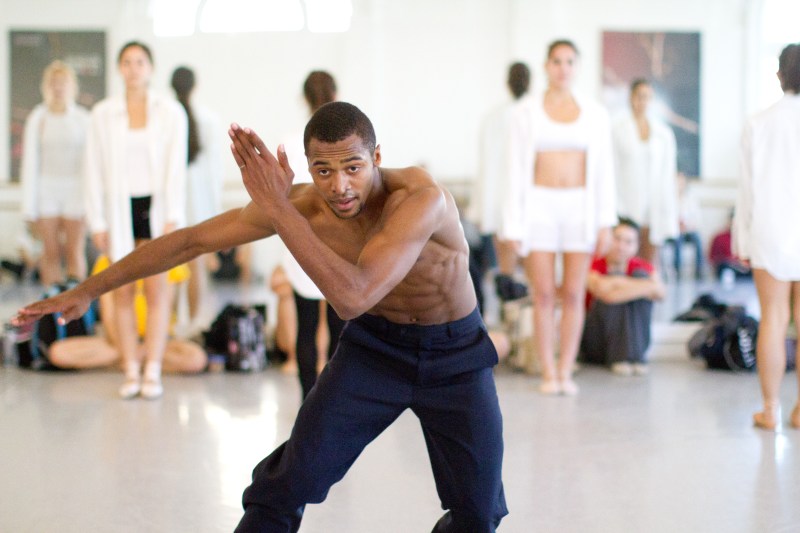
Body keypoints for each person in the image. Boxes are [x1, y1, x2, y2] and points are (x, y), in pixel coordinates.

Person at [15, 101, 507, 531]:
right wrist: (87, 290)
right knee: (291, 480)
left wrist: (278, 209)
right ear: (308, 168)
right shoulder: (301, 205)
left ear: (377, 158)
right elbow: (191, 241)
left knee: (477, 512)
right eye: (323, 170)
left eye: (353, 167)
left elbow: (352, 297)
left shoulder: (421, 200)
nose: (339, 186)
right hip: (376, 350)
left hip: (455, 355)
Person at [502, 39, 616, 395]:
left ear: (577, 67)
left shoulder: (595, 113)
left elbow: (604, 171)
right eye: (556, 61)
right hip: (540, 207)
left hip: (579, 207)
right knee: (544, 293)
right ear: (546, 66)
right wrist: (513, 224)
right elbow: (516, 170)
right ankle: (547, 371)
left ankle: (566, 369)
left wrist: (604, 221)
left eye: (569, 61)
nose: (563, 67)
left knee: (573, 291)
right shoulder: (527, 112)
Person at [84, 41, 188, 400]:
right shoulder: (102, 114)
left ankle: (153, 369)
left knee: (159, 291)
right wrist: (97, 220)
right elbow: (93, 169)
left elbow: (176, 168)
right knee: (123, 292)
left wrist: (174, 216)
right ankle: (130, 368)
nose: (133, 68)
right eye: (127, 62)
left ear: (150, 67)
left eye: (140, 62)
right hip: (118, 210)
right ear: (119, 68)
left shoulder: (170, 112)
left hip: (157, 210)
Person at [733, 42, 800, 431]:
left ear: (779, 76)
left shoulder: (759, 122)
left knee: (773, 319)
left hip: (770, 230)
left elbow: (746, 190)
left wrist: (742, 239)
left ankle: (771, 409)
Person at [271, 70, 346, 399]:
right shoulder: (349, 138)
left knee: (305, 323)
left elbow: (281, 196)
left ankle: (307, 401)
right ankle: (334, 399)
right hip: (341, 239)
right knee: (337, 325)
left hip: (300, 238)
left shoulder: (290, 142)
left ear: (303, 98)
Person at [49, 257, 206, 374]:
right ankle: (141, 362)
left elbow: (166, 316)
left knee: (196, 359)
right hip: (116, 341)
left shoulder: (168, 260)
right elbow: (109, 318)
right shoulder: (107, 260)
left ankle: (127, 362)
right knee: (58, 353)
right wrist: (126, 348)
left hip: (158, 342)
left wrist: (142, 350)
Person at [20, 60, 90, 286]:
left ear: (72, 86)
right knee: (50, 253)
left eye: (63, 82)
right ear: (46, 86)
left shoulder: (82, 119)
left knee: (74, 251)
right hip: (46, 191)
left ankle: (77, 315)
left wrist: (91, 203)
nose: (58, 87)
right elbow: (30, 163)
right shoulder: (38, 118)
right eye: (54, 83)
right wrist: (28, 208)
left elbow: (89, 164)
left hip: (76, 190)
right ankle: (52, 310)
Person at [469, 62, 533, 305]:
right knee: (518, 266)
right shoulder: (527, 114)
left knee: (508, 266)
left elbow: (484, 166)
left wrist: (481, 206)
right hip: (512, 199)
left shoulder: (497, 117)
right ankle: (515, 316)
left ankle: (513, 311)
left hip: (501, 199)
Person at [170, 66, 224, 332]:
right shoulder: (208, 119)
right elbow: (215, 173)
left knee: (168, 264)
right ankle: (192, 324)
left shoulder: (167, 116)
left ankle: (169, 325)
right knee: (195, 266)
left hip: (173, 200)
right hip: (197, 202)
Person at [579, 217, 665, 375]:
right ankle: (620, 357)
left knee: (640, 276)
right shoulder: (592, 264)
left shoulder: (642, 267)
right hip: (596, 342)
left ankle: (633, 357)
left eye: (628, 242)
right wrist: (644, 287)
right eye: (617, 239)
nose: (621, 246)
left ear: (636, 246)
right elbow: (604, 292)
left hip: (636, 345)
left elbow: (660, 292)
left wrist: (616, 285)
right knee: (635, 282)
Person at [612, 78, 679, 265]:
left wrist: (669, 208)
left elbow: (667, 174)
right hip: (626, 204)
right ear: (631, 98)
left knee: (649, 263)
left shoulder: (663, 134)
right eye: (639, 96)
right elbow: (613, 169)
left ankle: (645, 293)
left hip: (654, 206)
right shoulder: (617, 130)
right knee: (626, 258)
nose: (643, 101)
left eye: (647, 97)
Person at [663, 173, 703, 279]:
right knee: (677, 239)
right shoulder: (668, 199)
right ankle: (677, 270)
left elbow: (697, 218)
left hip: (688, 229)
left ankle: (699, 270)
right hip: (672, 230)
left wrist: (687, 226)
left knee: (698, 238)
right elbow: (665, 217)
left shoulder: (690, 199)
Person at [709, 209, 751, 282]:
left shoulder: (745, 238)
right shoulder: (719, 237)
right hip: (727, 265)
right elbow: (712, 257)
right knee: (725, 268)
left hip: (742, 266)